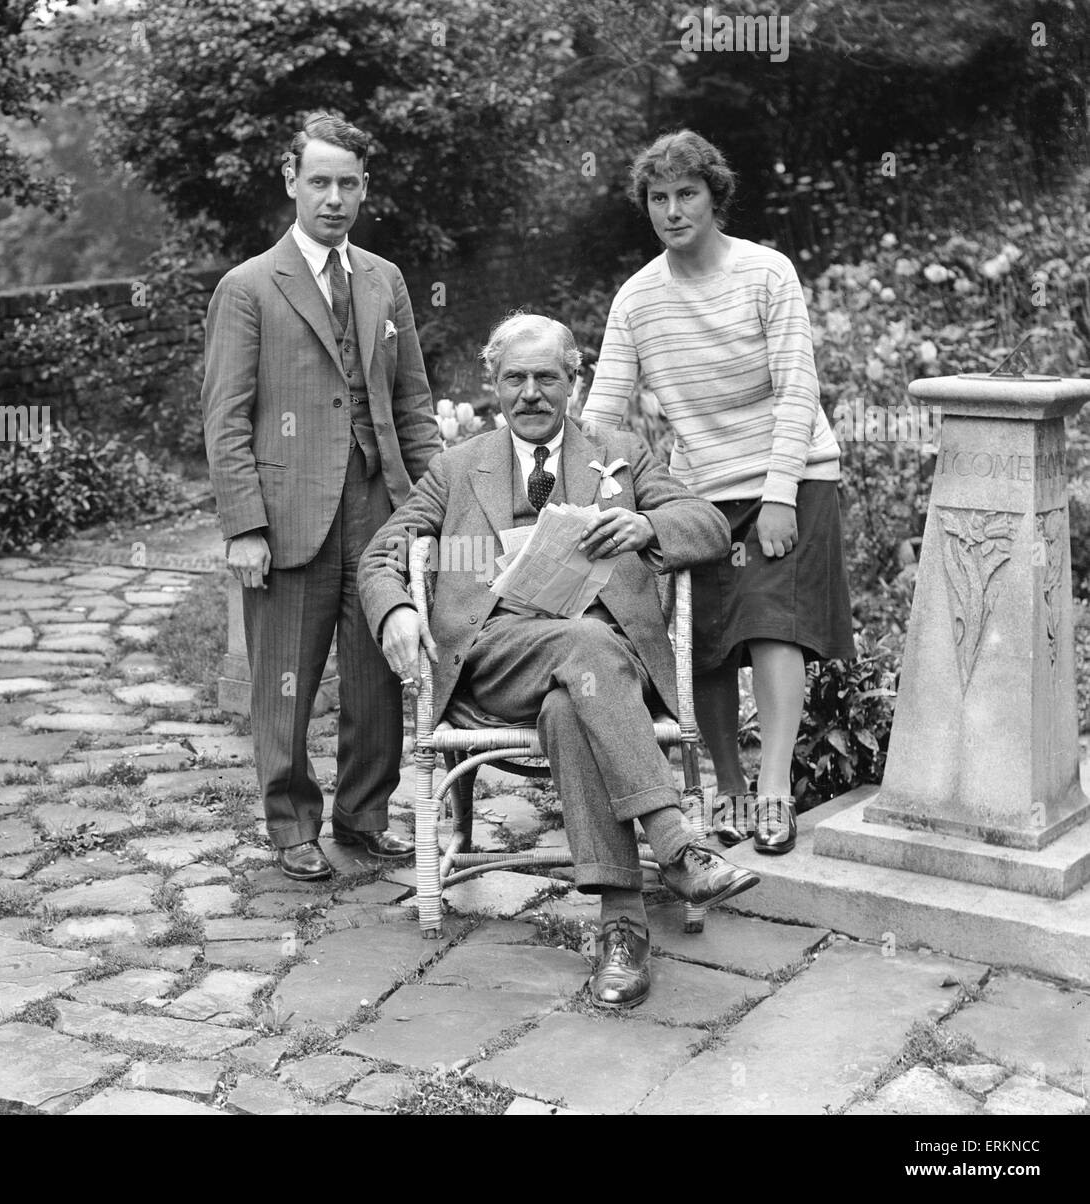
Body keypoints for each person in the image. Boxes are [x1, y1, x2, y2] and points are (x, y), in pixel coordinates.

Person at [359, 314, 759, 1010]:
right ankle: (675, 843)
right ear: (492, 385)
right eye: (515, 378)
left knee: (573, 699)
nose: (532, 393)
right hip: (497, 659)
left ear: (575, 382)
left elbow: (711, 526)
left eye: (548, 377)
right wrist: (395, 608)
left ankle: (622, 931)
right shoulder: (457, 469)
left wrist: (648, 525)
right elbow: (382, 552)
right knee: (587, 646)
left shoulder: (620, 452)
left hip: (601, 675)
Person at [580, 129, 856, 856]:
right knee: (702, 644)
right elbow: (605, 409)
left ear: (715, 196)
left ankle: (772, 793)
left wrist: (778, 496)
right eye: (658, 198)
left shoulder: (767, 274)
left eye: (686, 194)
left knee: (770, 623)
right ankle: (725, 791)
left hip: (789, 473)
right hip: (697, 491)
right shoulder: (638, 298)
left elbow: (799, 389)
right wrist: (564, 480)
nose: (672, 211)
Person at [202, 112, 442, 881]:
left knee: (378, 671)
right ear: (291, 183)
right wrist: (244, 524)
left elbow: (412, 405)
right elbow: (225, 416)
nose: (333, 198)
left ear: (364, 188)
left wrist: (440, 500)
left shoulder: (384, 279)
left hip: (376, 507)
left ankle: (365, 815)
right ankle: (291, 823)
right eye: (319, 182)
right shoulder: (247, 287)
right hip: (288, 511)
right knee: (286, 679)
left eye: (347, 183)